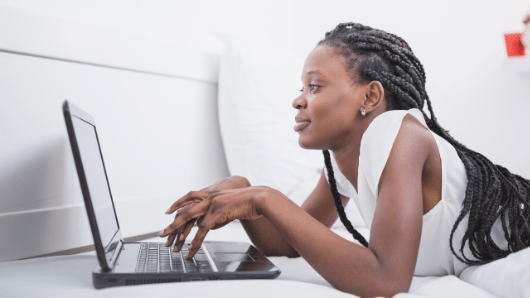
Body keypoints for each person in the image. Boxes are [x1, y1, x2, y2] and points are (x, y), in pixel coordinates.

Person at [158, 23, 530, 297]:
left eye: (314, 86)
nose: (299, 100)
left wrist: (264, 197)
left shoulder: (401, 134)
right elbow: (288, 245)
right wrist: (244, 190)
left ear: (370, 98)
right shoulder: (345, 160)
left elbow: (386, 281)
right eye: (301, 88)